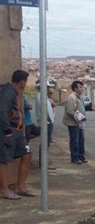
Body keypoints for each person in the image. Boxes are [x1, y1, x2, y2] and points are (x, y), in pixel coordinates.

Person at [0, 70, 35, 200]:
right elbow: (2, 112)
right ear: (22, 82)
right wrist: (7, 130)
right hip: (8, 131)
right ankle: (4, 190)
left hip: (18, 130)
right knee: (3, 159)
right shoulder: (8, 93)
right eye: (25, 81)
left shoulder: (15, 93)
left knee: (27, 154)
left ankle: (21, 186)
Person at [63, 81, 87, 165]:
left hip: (79, 123)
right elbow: (70, 111)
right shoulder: (72, 98)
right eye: (80, 87)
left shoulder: (79, 97)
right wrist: (79, 117)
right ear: (75, 88)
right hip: (73, 123)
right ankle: (75, 157)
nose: (81, 89)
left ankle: (81, 156)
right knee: (75, 140)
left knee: (81, 140)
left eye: (82, 87)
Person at [35, 81, 57, 170]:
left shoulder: (43, 96)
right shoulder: (41, 97)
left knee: (46, 144)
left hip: (47, 122)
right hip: (46, 123)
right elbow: (44, 110)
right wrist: (48, 119)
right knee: (45, 144)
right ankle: (43, 164)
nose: (48, 89)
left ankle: (44, 163)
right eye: (47, 87)